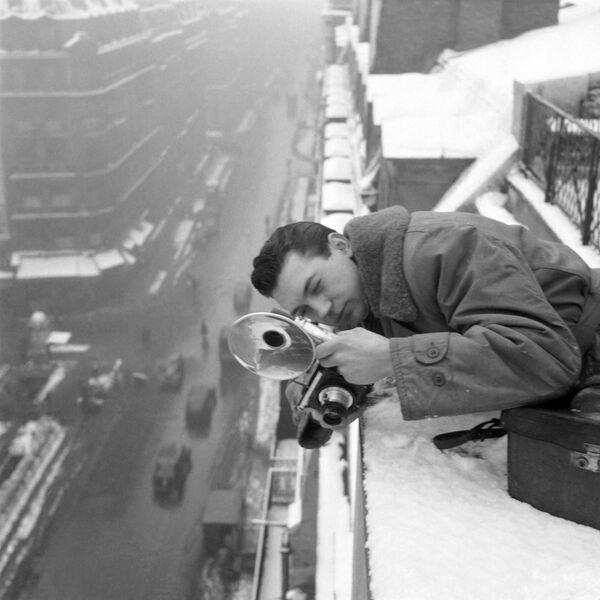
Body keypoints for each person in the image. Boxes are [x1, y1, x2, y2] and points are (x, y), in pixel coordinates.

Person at [250, 206, 600, 446]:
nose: (324, 310)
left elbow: (546, 356)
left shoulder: (445, 248)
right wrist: (335, 386)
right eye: (306, 311)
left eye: (317, 287)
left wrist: (393, 359)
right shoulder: (369, 289)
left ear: (340, 246)